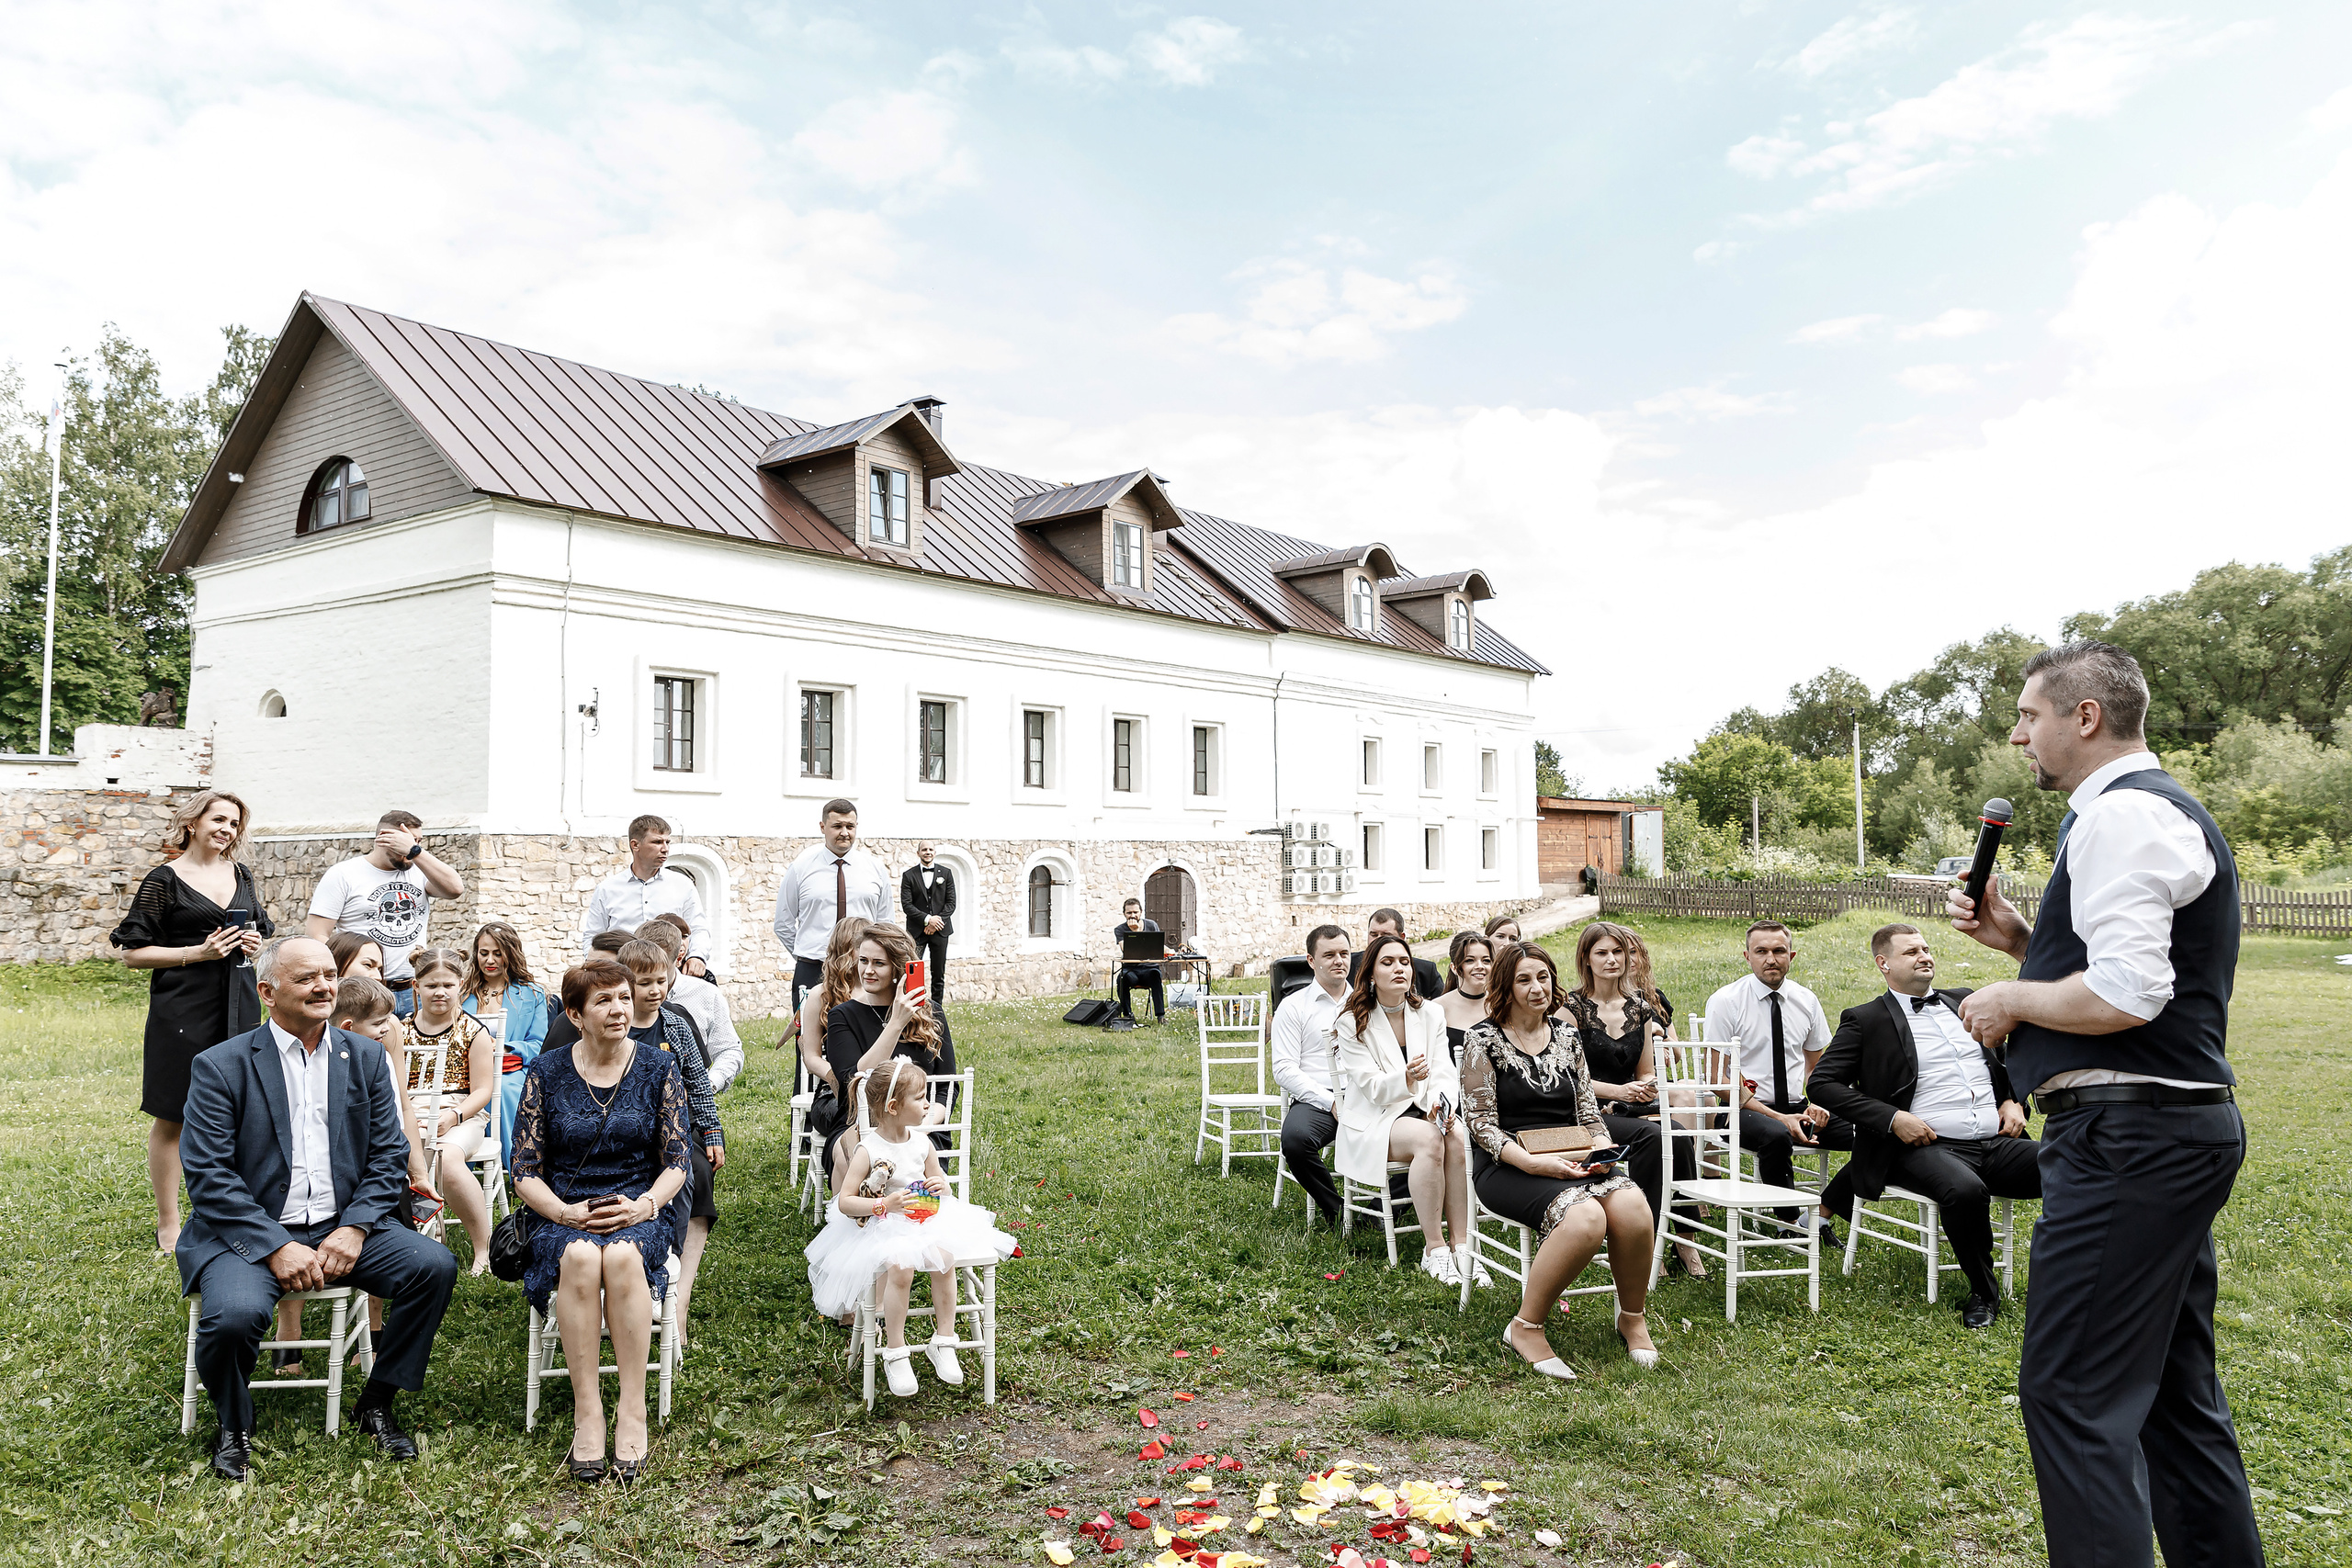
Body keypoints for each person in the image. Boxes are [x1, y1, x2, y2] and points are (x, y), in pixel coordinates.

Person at [1945, 640, 2262, 1567]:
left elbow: (2128, 994)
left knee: (2073, 1396)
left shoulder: (2119, 817)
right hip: (2169, 1133)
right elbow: (2123, 986)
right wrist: (2018, 943)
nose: (2018, 734)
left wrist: (2008, 1001)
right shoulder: (2153, 814)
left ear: (2084, 717)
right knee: (2168, 1393)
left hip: (2129, 1142)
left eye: (2029, 715)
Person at [175, 936, 458, 1479]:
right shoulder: (220, 1066)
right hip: (249, 1232)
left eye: (328, 974)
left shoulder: (366, 1056)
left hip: (342, 1224)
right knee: (232, 1318)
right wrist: (276, 1245)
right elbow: (209, 1175)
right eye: (306, 979)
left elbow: (387, 1154)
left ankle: (376, 1402)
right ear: (267, 992)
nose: (325, 986)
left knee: (433, 1268)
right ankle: (234, 1424)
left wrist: (354, 1228)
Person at [512, 959, 692, 1485]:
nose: (619, 1008)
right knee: (582, 1254)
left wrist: (645, 1207)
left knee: (622, 1254)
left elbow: (678, 1161)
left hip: (638, 1206)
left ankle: (631, 1408)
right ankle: (588, 1409)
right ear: (575, 1013)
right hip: (564, 1209)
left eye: (623, 997)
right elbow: (523, 1170)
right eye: (603, 1001)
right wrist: (566, 1212)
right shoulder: (546, 1072)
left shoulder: (660, 1068)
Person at [1807, 924, 2040, 1329]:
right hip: (1923, 1148)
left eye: (1926, 948)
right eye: (1911, 951)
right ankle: (1984, 1293)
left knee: (2074, 1165)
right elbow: (1821, 1084)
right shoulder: (1865, 1019)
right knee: (1964, 1190)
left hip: (1996, 1140)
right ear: (1884, 964)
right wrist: (1893, 1118)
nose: (1924, 956)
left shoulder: (1966, 1000)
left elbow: (2008, 1058)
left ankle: (2075, 1275)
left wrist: (2013, 1099)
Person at [1461, 941, 1658, 1380]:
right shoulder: (1483, 1039)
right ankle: (1525, 1326)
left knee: (1633, 1206)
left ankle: (1632, 1316)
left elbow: (1588, 1111)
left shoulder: (1567, 1036)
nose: (1537, 988)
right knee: (1587, 1218)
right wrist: (1532, 1165)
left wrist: (1602, 1152)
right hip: (1508, 1164)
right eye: (1524, 980)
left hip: (1573, 1152)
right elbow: (1479, 1123)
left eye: (1544, 977)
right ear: (1505, 987)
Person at [111, 788, 270, 1252]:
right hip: (181, 1007)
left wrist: (255, 945)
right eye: (218, 819)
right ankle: (169, 1221)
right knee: (174, 1114)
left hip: (240, 1002)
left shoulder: (241, 873)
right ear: (193, 822)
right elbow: (133, 954)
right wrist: (195, 953)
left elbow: (260, 927)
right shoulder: (164, 880)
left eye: (234, 823)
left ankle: (233, 1212)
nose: (227, 829)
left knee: (242, 1111)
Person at [805, 1060, 1017, 1393]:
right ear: (893, 1107)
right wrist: (882, 1205)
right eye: (920, 1099)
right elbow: (845, 1201)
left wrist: (940, 1188)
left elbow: (939, 1181)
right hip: (885, 1223)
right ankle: (895, 1350)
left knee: (944, 1259)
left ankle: (944, 1340)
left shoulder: (922, 1143)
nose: (928, 1105)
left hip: (926, 1221)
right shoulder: (868, 1149)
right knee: (901, 1268)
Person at [274, 973, 438, 1370]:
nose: (391, 1027)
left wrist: (418, 1173)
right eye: (382, 1023)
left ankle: (373, 1334)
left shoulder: (381, 1051)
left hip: (383, 1177)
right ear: (349, 1027)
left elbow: (403, 1114)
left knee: (394, 1245)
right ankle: (289, 1339)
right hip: (329, 1185)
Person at [1556, 921, 1706, 1279]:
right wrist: (1615, 1092)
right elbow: (1566, 1079)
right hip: (1583, 1110)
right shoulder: (1569, 1010)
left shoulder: (1640, 1007)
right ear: (1586, 960)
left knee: (1679, 1137)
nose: (1612, 960)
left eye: (1618, 952)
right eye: (1602, 953)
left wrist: (1648, 1086)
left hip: (1630, 1105)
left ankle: (1684, 1240)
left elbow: (1644, 1071)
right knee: (1653, 1138)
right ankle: (1647, 1244)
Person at [1332, 931, 1473, 1284]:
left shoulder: (1430, 1013)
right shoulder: (1351, 1021)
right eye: (1388, 962)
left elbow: (1443, 1070)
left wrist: (1441, 1104)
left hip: (1425, 1107)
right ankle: (1434, 1249)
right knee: (1430, 1140)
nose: (1399, 969)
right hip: (1376, 1118)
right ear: (1370, 974)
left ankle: (1463, 1248)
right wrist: (1407, 1079)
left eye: (1405, 962)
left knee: (1455, 1135)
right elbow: (1371, 1088)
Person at [1701, 921, 1854, 1236]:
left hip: (1799, 1109)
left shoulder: (1806, 1000)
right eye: (1761, 951)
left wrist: (1820, 1104)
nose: (1770, 958)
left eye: (1778, 951)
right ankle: (1787, 1223)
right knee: (1775, 1135)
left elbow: (1817, 1069)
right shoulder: (1726, 1001)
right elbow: (1717, 1078)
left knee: (1871, 1131)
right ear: (1747, 956)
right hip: (1741, 1113)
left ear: (1791, 955)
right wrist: (1779, 1118)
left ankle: (1819, 1216)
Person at [617, 940, 726, 1348]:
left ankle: (672, 1261)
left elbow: (698, 1084)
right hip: (626, 1135)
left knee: (689, 1172)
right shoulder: (617, 1026)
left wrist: (712, 1133)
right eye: (644, 983)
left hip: (676, 1131)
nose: (654, 991)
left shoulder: (676, 1026)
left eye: (661, 981)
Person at [821, 924, 952, 1190]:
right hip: (860, 1124)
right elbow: (853, 1081)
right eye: (863, 961)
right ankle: (855, 1227)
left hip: (922, 1127)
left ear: (898, 969)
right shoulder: (842, 1016)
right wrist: (896, 1023)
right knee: (850, 1155)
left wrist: (921, 1126)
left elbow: (947, 1086)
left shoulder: (931, 1013)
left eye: (879, 963)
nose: (867, 970)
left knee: (919, 1154)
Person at [305, 810, 466, 1018]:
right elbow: (317, 935)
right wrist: (340, 977)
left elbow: (455, 889)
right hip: (366, 988)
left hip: (413, 989)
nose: (411, 849)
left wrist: (416, 851)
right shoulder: (344, 874)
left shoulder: (420, 870)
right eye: (406, 841)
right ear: (383, 838)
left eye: (417, 841)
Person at [400, 948, 499, 1274]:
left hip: (461, 1113)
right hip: (410, 1112)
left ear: (460, 985)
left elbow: (483, 1090)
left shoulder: (474, 1032)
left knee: (446, 1157)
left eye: (447, 985)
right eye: (431, 986)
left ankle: (483, 1246)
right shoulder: (401, 1031)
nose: (439, 992)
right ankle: (405, 1243)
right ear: (416, 987)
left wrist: (453, 1117)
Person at [774, 798, 894, 1010]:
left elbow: (885, 924)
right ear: (822, 827)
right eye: (837, 826)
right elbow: (783, 923)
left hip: (862, 970)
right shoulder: (801, 868)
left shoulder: (875, 869)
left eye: (850, 826)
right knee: (807, 1037)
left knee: (864, 1037)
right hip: (814, 968)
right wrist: (808, 953)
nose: (844, 833)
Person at [1270, 924, 1352, 1225]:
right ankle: (1339, 1211)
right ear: (1311, 960)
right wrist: (1329, 1102)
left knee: (1426, 1131)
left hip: (1366, 1095)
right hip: (1319, 1100)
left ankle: (1381, 1212)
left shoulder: (1367, 1004)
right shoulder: (1293, 1007)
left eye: (1344, 954)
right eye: (1329, 955)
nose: (1338, 961)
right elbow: (1284, 1069)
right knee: (1295, 1139)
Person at [461, 920, 549, 1168]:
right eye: (484, 953)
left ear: (510, 954)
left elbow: (539, 1044)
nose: (490, 960)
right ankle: (463, 1164)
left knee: (505, 1091)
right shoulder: (462, 993)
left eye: (498, 954)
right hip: (467, 1069)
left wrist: (504, 1047)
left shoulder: (532, 994)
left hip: (513, 1069)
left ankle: (516, 1166)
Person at [582, 815, 711, 978]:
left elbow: (698, 928)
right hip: (621, 977)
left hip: (669, 976)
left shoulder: (683, 885)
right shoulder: (607, 889)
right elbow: (593, 936)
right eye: (657, 842)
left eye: (667, 842)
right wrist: (599, 969)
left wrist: (697, 956)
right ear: (635, 845)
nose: (665, 848)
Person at [639, 917, 741, 1093]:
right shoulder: (624, 997)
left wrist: (706, 1085)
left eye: (661, 967)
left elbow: (728, 1050)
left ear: (679, 957)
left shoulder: (706, 994)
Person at [899, 842, 956, 1007]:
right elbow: (907, 905)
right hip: (917, 931)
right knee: (913, 971)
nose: (927, 852)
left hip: (940, 931)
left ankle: (937, 1009)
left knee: (938, 973)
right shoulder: (909, 875)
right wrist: (927, 919)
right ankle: (914, 1006)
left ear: (935, 852)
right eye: (924, 849)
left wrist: (935, 922)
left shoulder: (946, 873)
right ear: (918, 853)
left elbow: (951, 903)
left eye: (930, 849)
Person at [1347, 908, 1443, 998]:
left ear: (1402, 937)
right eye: (1374, 935)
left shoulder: (1426, 972)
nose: (1378, 941)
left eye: (1386, 936)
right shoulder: (1349, 965)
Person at [1437, 930, 1495, 1065]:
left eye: (1486, 961)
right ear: (1454, 967)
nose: (1480, 966)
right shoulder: (1437, 1009)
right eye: (1470, 960)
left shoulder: (1502, 1005)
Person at [1111, 898, 1165, 1023]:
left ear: (1141, 912)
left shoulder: (1151, 925)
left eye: (1135, 912)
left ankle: (1160, 1016)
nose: (1133, 915)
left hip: (1149, 969)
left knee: (1156, 975)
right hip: (1131, 969)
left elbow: (1158, 947)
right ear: (1124, 914)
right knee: (1122, 978)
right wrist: (1134, 931)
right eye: (1129, 913)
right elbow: (1126, 950)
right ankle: (1127, 1014)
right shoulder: (1120, 929)